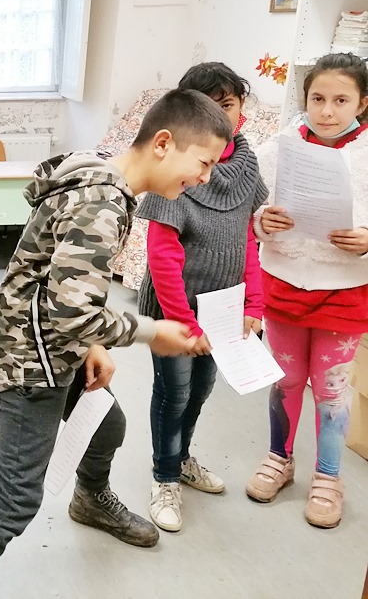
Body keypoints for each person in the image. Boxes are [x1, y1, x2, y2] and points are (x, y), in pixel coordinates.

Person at [0, 88, 233, 599]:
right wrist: (151, 331)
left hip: (50, 337)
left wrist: (93, 343)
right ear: (163, 143)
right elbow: (72, 313)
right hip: (34, 356)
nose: (205, 178)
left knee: (106, 423)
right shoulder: (102, 202)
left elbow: (63, 283)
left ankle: (90, 499)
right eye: (203, 163)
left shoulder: (102, 177)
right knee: (13, 499)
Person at [137, 63, 268, 532]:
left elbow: (248, 240)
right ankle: (165, 477)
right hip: (175, 313)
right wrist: (185, 324)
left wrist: (254, 305)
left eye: (227, 105)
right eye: (208, 105)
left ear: (241, 108)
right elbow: (162, 256)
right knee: (173, 393)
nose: (220, 115)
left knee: (200, 390)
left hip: (224, 312)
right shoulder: (177, 169)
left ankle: (182, 458)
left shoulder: (246, 165)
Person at [245, 52, 368, 529]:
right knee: (285, 380)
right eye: (317, 99)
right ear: (305, 98)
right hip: (283, 283)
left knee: (331, 389)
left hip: (345, 290)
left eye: (341, 100)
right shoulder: (279, 148)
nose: (327, 111)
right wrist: (263, 223)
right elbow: (252, 213)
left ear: (362, 103)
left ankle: (328, 476)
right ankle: (280, 457)